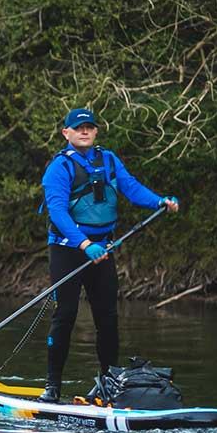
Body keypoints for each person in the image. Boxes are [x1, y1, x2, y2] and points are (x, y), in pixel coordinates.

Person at [37, 108, 180, 402]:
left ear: (96, 131)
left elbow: (131, 188)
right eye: (78, 128)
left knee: (108, 319)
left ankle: (108, 385)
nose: (84, 132)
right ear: (67, 133)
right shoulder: (58, 169)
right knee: (65, 315)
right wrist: (85, 244)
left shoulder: (109, 160)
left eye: (89, 127)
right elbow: (58, 212)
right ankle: (52, 388)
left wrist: (159, 201)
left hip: (103, 250)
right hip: (68, 250)